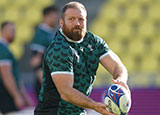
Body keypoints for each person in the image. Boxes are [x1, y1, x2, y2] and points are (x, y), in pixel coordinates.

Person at [34, 1, 130, 115]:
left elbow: (117, 66)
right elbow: (66, 92)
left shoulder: (94, 42)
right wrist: (94, 106)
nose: (77, 23)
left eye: (81, 19)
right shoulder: (59, 49)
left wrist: (120, 81)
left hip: (77, 111)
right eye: (71, 19)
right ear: (61, 22)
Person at [0, 21, 32, 114]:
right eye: (11, 30)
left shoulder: (6, 49)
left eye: (14, 31)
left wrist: (23, 94)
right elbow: (7, 76)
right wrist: (16, 95)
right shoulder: (2, 50)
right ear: (3, 31)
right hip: (5, 92)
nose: (14, 33)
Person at [30, 5, 59, 97]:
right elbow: (36, 61)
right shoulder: (41, 35)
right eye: (54, 17)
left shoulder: (50, 33)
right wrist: (46, 85)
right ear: (46, 17)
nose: (56, 19)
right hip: (46, 82)